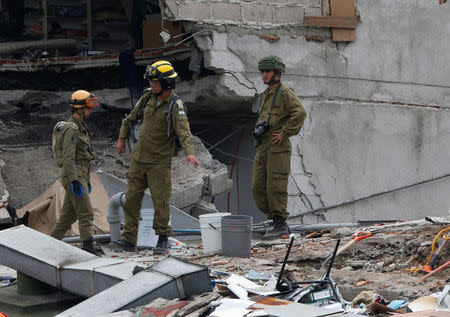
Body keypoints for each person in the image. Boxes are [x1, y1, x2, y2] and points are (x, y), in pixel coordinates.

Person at [113, 60, 200, 254]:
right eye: (151, 82)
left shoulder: (175, 106)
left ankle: (162, 239)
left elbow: (184, 133)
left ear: (167, 84)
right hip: (138, 160)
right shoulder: (147, 97)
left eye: (155, 83)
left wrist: (190, 153)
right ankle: (128, 239)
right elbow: (130, 119)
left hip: (158, 164)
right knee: (131, 200)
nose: (152, 85)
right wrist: (121, 139)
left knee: (161, 202)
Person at [251, 56, 307, 239]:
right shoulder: (265, 95)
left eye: (268, 72)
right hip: (263, 146)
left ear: (277, 73)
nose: (264, 75)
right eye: (263, 72)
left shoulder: (284, 93)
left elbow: (300, 113)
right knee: (258, 188)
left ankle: (280, 222)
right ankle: (274, 220)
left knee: (276, 186)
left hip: (278, 146)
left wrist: (284, 133)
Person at [50, 90, 99, 254]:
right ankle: (88, 247)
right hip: (74, 173)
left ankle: (48, 245)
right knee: (86, 212)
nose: (91, 111)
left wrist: (86, 178)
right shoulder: (72, 129)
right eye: (88, 108)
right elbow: (68, 157)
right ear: (79, 109)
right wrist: (74, 180)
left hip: (80, 172)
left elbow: (84, 156)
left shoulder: (81, 126)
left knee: (68, 217)